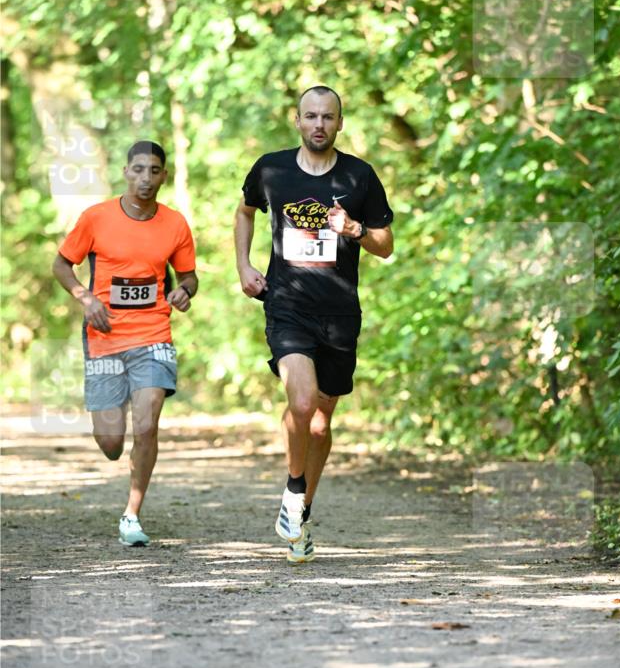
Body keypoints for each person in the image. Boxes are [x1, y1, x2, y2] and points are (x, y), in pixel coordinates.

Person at [234, 85, 393, 565]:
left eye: (327, 117)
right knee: (301, 402)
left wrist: (355, 230)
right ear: (297, 120)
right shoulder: (271, 170)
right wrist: (243, 266)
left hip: (340, 314)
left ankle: (301, 514)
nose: (318, 124)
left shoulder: (360, 176)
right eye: (310, 116)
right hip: (287, 306)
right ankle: (293, 488)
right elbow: (244, 213)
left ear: (339, 123)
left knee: (321, 425)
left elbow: (386, 245)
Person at [52, 140, 198, 547]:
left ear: (164, 175)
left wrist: (185, 290)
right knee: (111, 442)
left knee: (147, 424)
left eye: (154, 170)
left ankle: (132, 514)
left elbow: (188, 275)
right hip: (104, 337)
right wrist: (85, 298)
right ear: (125, 172)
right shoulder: (96, 218)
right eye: (138, 169)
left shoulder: (175, 224)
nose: (145, 178)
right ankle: (114, 437)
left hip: (153, 334)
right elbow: (62, 264)